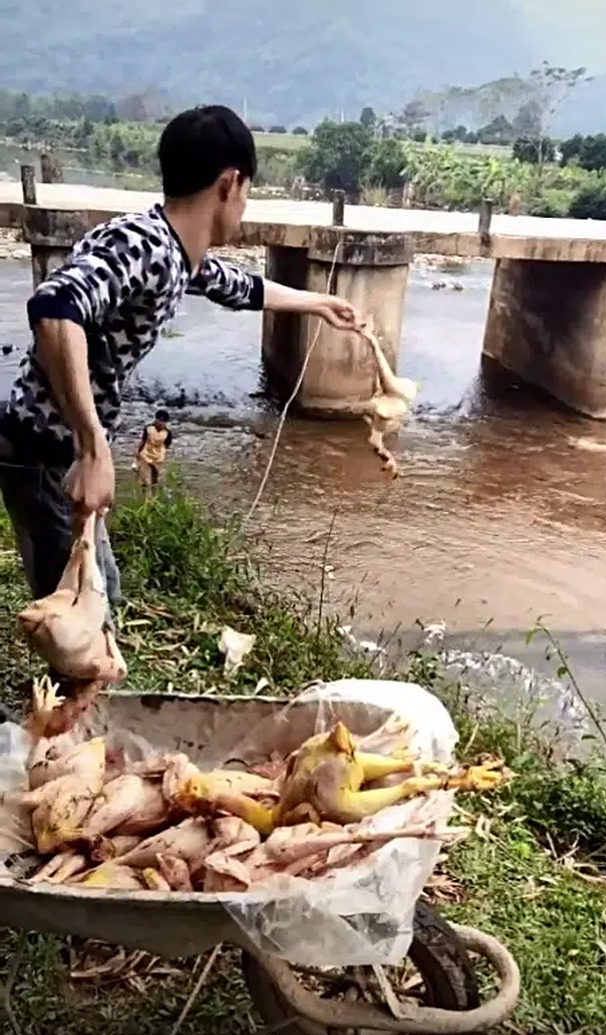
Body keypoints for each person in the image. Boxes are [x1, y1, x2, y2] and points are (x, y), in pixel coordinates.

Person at [0, 104, 363, 693]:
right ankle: (68, 741)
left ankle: (75, 717)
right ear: (230, 183)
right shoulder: (144, 244)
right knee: (82, 626)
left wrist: (318, 303)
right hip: (43, 453)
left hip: (48, 451)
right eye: (247, 192)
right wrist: (93, 447)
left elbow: (238, 286)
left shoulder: (172, 252)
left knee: (90, 599)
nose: (244, 206)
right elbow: (54, 306)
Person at [135, 408, 173, 497]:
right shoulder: (148, 428)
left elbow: (167, 445)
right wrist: (137, 453)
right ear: (155, 419)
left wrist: (162, 453)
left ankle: (153, 498)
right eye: (159, 420)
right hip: (146, 455)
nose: (161, 423)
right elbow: (143, 441)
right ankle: (145, 498)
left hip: (158, 457)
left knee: (155, 480)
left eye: (163, 421)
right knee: (145, 479)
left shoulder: (167, 433)